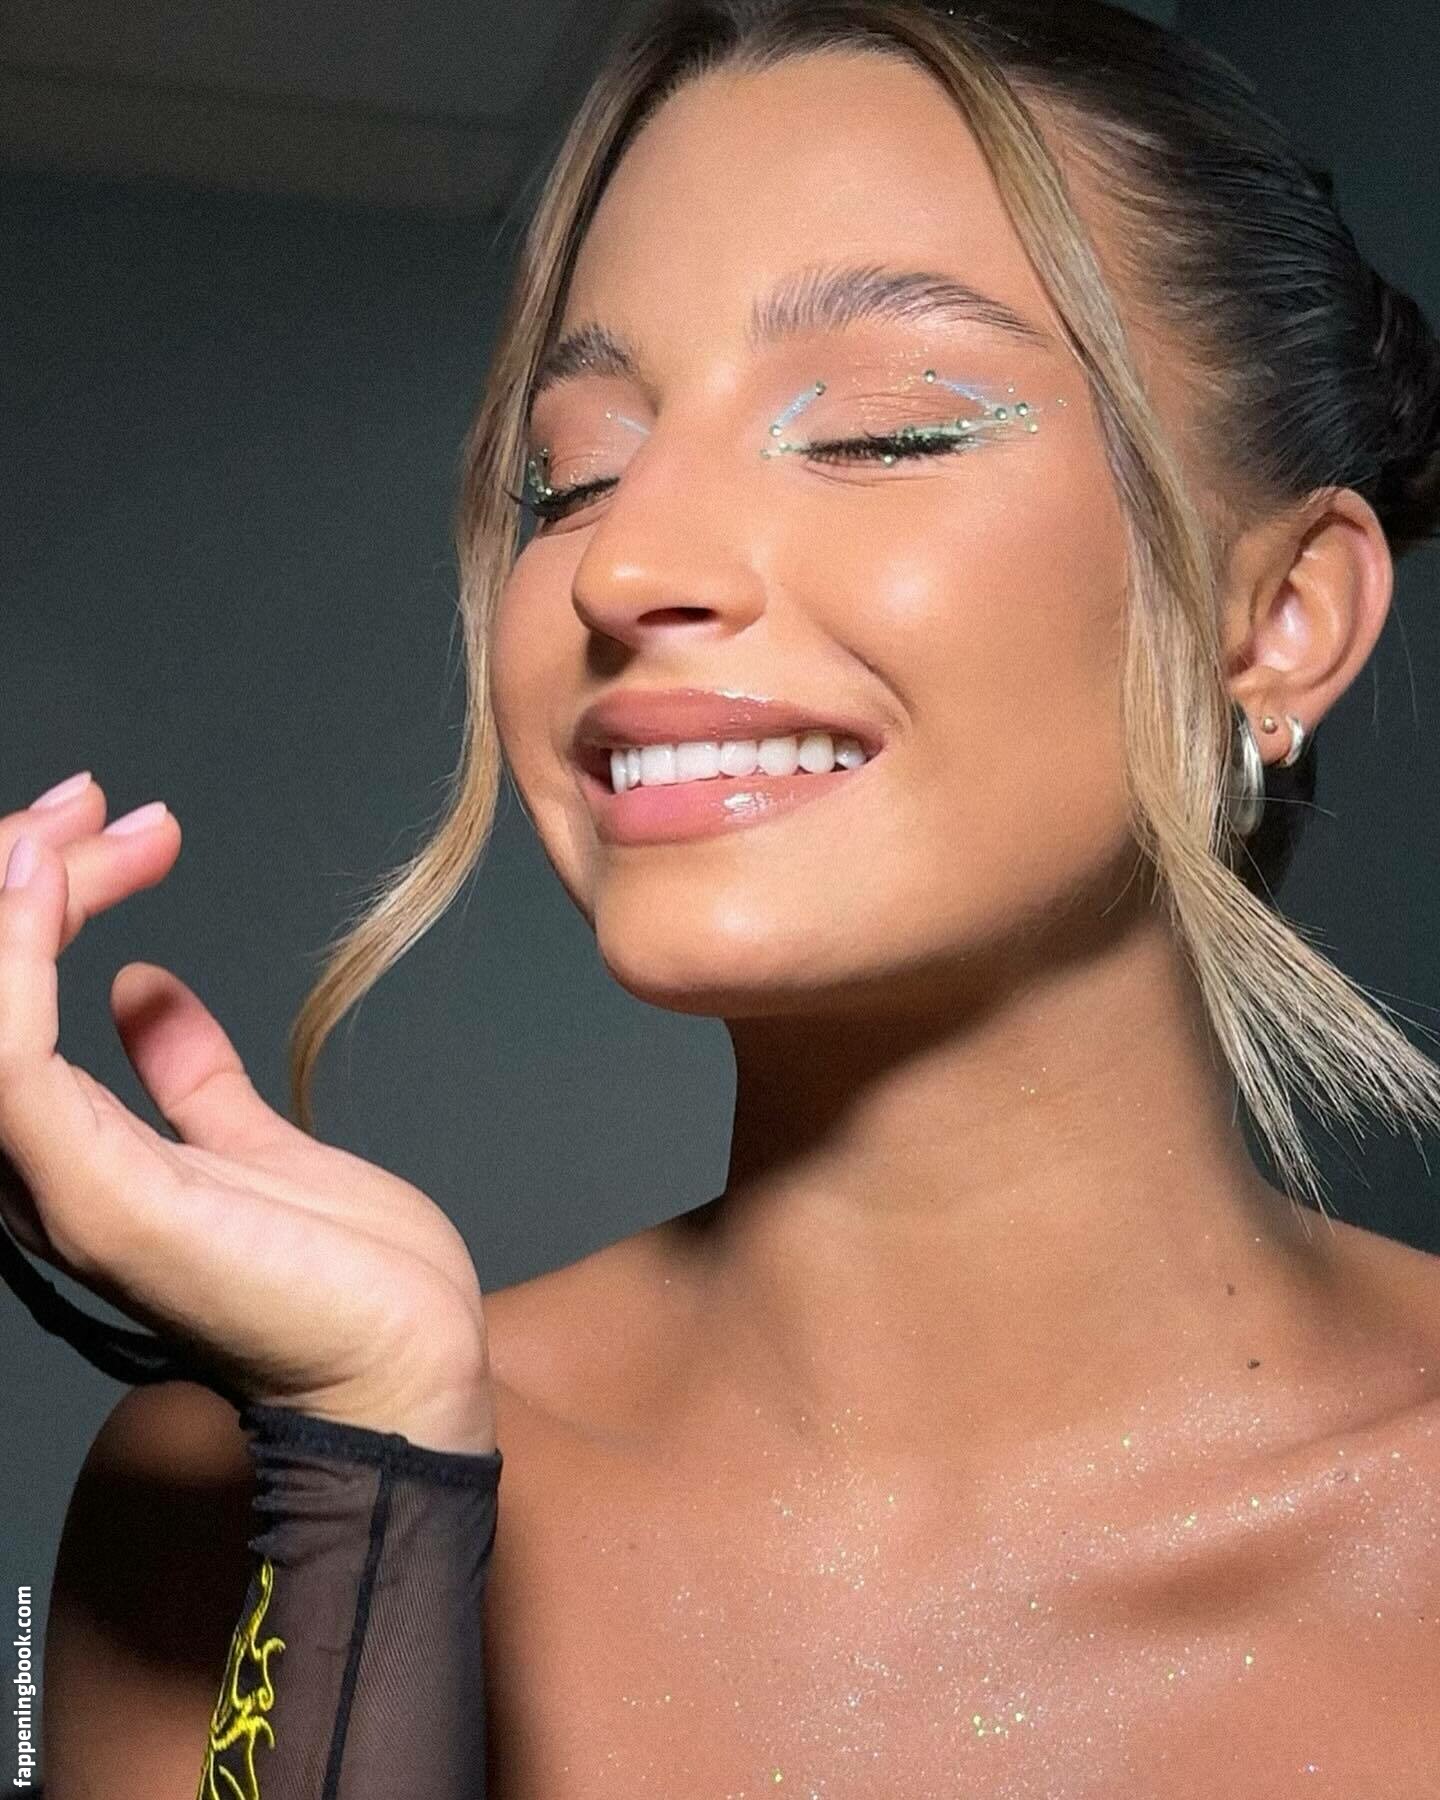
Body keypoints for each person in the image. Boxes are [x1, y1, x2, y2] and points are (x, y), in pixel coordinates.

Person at [11, 0, 1440, 1792]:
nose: (623, 563)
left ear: (1281, 616)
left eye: (882, 432)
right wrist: (375, 1482)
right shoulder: (239, 1506)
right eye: (574, 473)